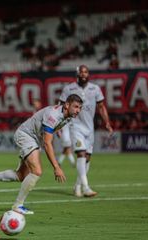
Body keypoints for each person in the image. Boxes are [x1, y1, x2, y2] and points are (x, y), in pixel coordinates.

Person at [0, 94, 83, 215]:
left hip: (34, 139)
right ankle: (18, 205)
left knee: (21, 176)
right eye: (76, 107)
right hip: (26, 136)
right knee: (37, 171)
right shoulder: (53, 115)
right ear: (67, 105)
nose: (78, 110)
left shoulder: (68, 117)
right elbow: (47, 143)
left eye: (80, 108)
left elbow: (51, 133)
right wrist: (56, 167)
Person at [59, 64, 113, 198]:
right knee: (81, 154)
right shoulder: (69, 88)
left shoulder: (95, 89)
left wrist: (107, 122)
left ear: (88, 74)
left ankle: (77, 185)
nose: (83, 74)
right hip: (75, 126)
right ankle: (86, 187)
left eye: (85, 72)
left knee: (87, 158)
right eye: (81, 72)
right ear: (77, 74)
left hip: (89, 128)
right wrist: (58, 125)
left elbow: (101, 107)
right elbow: (61, 107)